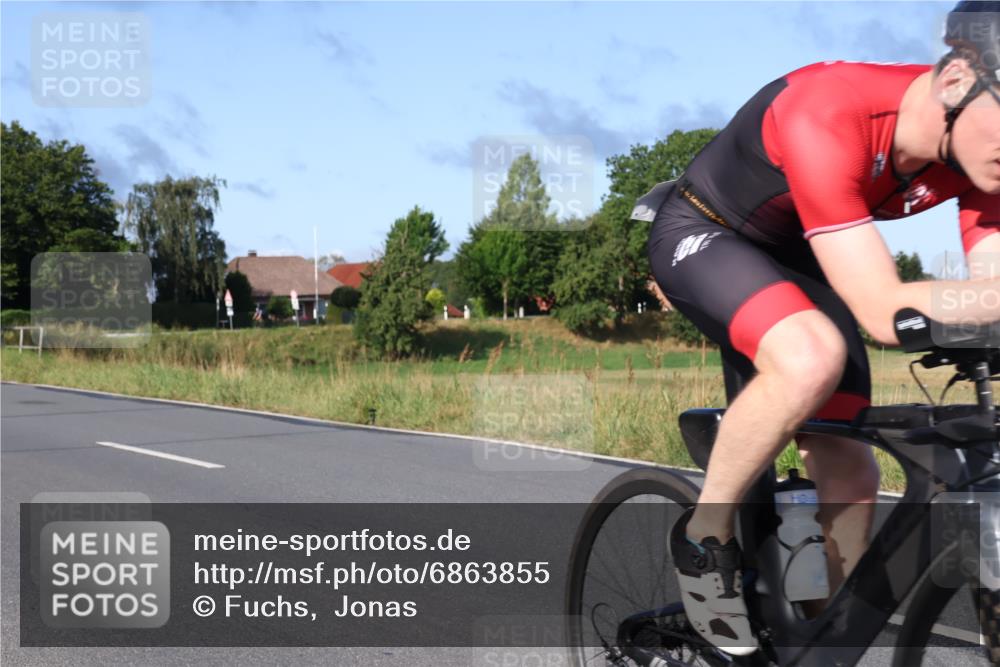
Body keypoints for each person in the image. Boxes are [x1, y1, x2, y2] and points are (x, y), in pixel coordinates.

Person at [646, 2, 1000, 654]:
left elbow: (991, 287)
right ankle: (705, 537)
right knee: (810, 355)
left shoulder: (985, 159)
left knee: (852, 472)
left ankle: (813, 636)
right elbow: (880, 307)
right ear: (955, 81)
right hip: (706, 233)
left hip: (801, 253)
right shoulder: (831, 107)